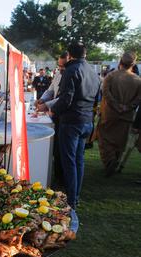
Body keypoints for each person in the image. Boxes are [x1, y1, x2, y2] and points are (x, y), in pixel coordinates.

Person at [50, 42, 101, 209]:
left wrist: (53, 111)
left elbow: (66, 99)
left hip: (72, 122)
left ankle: (72, 199)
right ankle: (75, 196)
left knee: (70, 161)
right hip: (86, 121)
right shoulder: (93, 72)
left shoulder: (71, 70)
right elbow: (96, 98)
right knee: (79, 160)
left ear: (70, 55)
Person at [97, 52, 141, 177]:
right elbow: (139, 98)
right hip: (127, 116)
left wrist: (116, 106)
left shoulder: (111, 76)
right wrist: (127, 107)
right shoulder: (138, 80)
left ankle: (109, 160)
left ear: (120, 62)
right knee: (120, 141)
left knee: (104, 138)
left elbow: (106, 93)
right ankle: (115, 160)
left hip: (110, 114)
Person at [35, 52, 68, 186]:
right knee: (57, 149)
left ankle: (62, 178)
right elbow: (51, 90)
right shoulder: (59, 74)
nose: (60, 69)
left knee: (63, 149)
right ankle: (58, 175)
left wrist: (46, 105)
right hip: (55, 114)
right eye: (59, 66)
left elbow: (63, 98)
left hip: (64, 115)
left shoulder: (72, 74)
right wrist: (42, 99)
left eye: (63, 66)